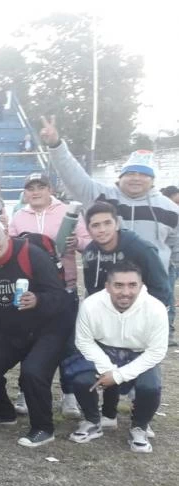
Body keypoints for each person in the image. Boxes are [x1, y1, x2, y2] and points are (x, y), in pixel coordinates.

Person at [41, 116, 179, 343]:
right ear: (120, 176)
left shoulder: (170, 209)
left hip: (146, 294)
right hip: (105, 293)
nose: (136, 178)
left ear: (152, 180)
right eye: (130, 173)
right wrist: (56, 145)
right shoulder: (100, 195)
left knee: (141, 354)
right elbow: (73, 175)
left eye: (143, 174)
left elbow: (175, 249)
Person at [0, 216, 75, 447]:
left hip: (48, 328)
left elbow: (60, 298)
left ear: (5, 232)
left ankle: (43, 428)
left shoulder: (31, 254)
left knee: (33, 372)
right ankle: (4, 412)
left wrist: (38, 300)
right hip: (13, 330)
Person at [69, 261, 168, 452]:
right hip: (102, 350)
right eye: (118, 285)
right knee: (81, 379)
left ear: (141, 285)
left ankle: (140, 425)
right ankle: (92, 421)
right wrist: (108, 368)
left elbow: (156, 351)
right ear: (107, 286)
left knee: (150, 386)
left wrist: (117, 376)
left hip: (140, 353)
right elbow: (84, 341)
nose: (126, 292)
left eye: (132, 285)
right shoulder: (90, 305)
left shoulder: (156, 309)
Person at [80, 201, 170, 304]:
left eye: (107, 223)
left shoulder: (142, 249)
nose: (102, 230)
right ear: (88, 230)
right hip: (105, 314)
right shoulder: (89, 253)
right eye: (95, 225)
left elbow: (160, 289)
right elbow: (91, 288)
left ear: (117, 224)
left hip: (138, 312)